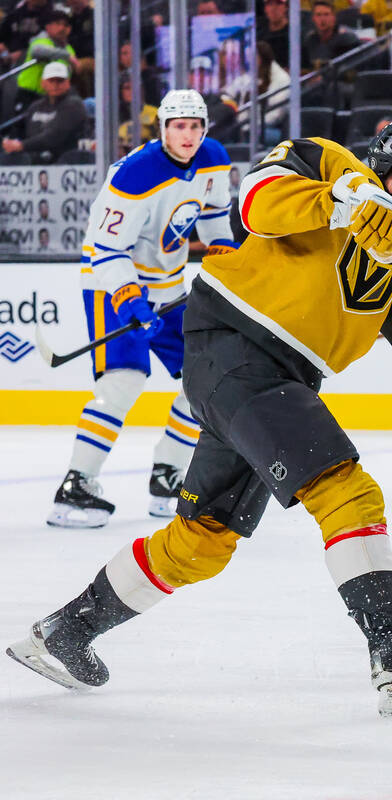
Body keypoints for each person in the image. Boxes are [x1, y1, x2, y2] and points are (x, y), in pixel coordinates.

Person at [7, 117, 392, 718]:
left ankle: (62, 635)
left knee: (202, 543)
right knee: (348, 492)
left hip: (274, 376)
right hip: (235, 343)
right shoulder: (328, 161)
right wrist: (342, 202)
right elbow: (257, 202)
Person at [40, 89, 236, 529]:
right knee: (124, 380)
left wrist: (223, 249)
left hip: (167, 285)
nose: (188, 135)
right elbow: (106, 249)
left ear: (204, 128)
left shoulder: (214, 158)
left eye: (195, 126)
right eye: (179, 126)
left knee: (202, 380)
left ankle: (167, 477)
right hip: (111, 284)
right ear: (163, 129)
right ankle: (76, 483)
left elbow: (215, 214)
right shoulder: (134, 175)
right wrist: (129, 295)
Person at [1, 61, 87, 164]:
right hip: (33, 162)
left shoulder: (74, 105)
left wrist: (22, 145)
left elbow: (55, 136)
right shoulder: (35, 106)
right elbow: (19, 130)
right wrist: (10, 142)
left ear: (68, 83)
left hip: (66, 161)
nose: (55, 85)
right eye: (51, 80)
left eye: (60, 80)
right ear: (43, 83)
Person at [15, 8, 76, 110]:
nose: (62, 28)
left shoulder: (69, 49)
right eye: (57, 23)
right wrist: (67, 56)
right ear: (48, 27)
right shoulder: (41, 41)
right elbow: (37, 50)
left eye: (66, 25)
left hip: (52, 97)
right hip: (29, 93)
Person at [304, 0, 361, 71]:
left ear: (334, 17)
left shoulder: (346, 40)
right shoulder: (310, 40)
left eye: (326, 14)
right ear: (313, 18)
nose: (322, 19)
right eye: (318, 15)